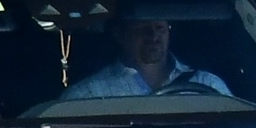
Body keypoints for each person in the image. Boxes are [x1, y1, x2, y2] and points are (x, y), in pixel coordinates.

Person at [60, 17, 233, 100]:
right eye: (142, 28)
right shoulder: (86, 96)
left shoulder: (208, 86)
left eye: (159, 28)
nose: (153, 36)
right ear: (119, 34)